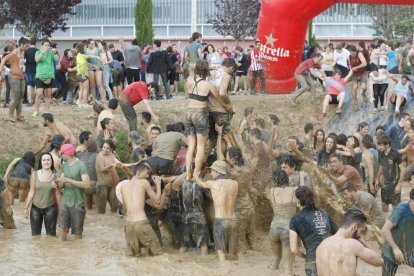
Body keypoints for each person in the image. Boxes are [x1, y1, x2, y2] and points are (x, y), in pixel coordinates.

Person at [185, 60, 226, 180]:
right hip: (200, 114)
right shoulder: (208, 85)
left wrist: (208, 68)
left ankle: (188, 173)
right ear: (206, 71)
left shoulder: (189, 80)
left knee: (191, 145)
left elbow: (191, 66)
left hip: (189, 112)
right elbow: (219, 98)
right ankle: (196, 174)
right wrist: (226, 107)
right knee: (201, 146)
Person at [216, 125, 255, 250]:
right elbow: (241, 152)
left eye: (228, 156)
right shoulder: (247, 168)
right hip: (249, 206)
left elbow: (219, 155)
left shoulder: (231, 172)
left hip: (239, 208)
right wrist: (228, 141)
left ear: (232, 159)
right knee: (250, 239)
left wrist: (218, 134)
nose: (226, 157)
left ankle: (240, 260)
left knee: (238, 239)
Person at [194, 161, 239, 261]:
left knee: (221, 252)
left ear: (218, 172)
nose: (211, 174)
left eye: (212, 171)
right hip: (233, 220)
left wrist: (196, 176)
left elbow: (200, 183)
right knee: (234, 252)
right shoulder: (235, 184)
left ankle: (222, 270)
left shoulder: (212, 184)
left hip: (220, 221)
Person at [316, 208, 383, 276]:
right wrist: (360, 239)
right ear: (354, 227)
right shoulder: (351, 244)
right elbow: (379, 261)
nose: (361, 235)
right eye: (362, 231)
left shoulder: (322, 245)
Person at [289, 186, 338, 276]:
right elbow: (338, 235)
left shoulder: (295, 219)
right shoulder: (323, 212)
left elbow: (294, 250)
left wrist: (306, 256)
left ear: (298, 201)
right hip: (331, 258)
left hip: (312, 260)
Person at [120, 161, 164, 257]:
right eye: (147, 173)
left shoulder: (123, 186)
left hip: (128, 225)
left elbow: (124, 209)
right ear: (138, 173)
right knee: (158, 255)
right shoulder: (144, 182)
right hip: (141, 223)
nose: (148, 176)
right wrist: (158, 184)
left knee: (134, 257)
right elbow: (157, 201)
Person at [56, 144, 90, 241]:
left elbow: (87, 184)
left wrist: (70, 180)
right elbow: (62, 184)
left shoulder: (81, 165)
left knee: (77, 235)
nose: (61, 156)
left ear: (67, 153)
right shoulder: (64, 165)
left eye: (61, 153)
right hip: (65, 201)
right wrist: (58, 184)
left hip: (78, 203)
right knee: (62, 232)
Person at [267, 169, 297, 273]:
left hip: (274, 228)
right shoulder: (294, 190)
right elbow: (304, 192)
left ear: (275, 180)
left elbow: (273, 206)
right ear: (286, 179)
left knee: (276, 259)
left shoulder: (272, 191)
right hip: (288, 229)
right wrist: (301, 178)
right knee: (287, 269)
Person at [24, 152, 59, 236]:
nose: (46, 162)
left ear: (51, 162)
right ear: (40, 162)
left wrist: (60, 210)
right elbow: (32, 191)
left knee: (51, 237)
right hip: (35, 208)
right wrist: (26, 208)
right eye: (44, 160)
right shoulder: (34, 174)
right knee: (35, 236)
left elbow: (59, 194)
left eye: (48, 160)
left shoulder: (56, 176)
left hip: (51, 208)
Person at [382, 188, 414, 276]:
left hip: (410, 251)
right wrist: (395, 248)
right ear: (411, 201)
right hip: (392, 251)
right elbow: (385, 229)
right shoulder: (401, 210)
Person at [0, 37, 29, 122]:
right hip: (13, 77)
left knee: (21, 97)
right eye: (26, 46)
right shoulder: (14, 52)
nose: (26, 48)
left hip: (21, 76)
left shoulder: (22, 52)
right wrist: (0, 72)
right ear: (21, 45)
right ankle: (10, 116)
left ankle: (18, 115)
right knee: (15, 96)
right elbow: (3, 59)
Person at [376, 135, 403, 212]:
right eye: (378, 145)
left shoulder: (395, 154)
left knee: (396, 210)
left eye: (381, 145)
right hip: (384, 186)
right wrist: (377, 179)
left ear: (387, 145)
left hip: (395, 186)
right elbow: (381, 166)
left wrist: (399, 185)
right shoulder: (380, 153)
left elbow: (403, 169)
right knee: (384, 209)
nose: (379, 147)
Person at [33, 39, 58, 116]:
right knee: (39, 94)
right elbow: (36, 60)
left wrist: (55, 52)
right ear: (42, 46)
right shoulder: (38, 52)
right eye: (45, 45)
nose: (47, 46)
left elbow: (57, 59)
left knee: (48, 95)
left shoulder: (51, 53)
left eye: (48, 45)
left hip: (50, 76)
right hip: (40, 76)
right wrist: (43, 52)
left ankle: (46, 111)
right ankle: (36, 111)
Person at [95, 140, 121, 214]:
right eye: (103, 147)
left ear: (111, 149)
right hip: (102, 185)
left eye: (107, 148)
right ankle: (101, 225)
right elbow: (102, 169)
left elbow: (118, 163)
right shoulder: (100, 156)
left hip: (112, 185)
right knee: (101, 210)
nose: (105, 150)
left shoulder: (111, 155)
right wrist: (111, 165)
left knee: (114, 208)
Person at [77, 141, 98, 210]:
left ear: (86, 148)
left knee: (87, 209)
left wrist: (80, 150)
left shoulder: (80, 155)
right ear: (96, 148)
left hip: (84, 186)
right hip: (95, 185)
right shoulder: (98, 155)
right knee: (96, 209)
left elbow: (74, 153)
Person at [348, 45, 368, 111]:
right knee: (354, 88)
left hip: (362, 73)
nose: (351, 54)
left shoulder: (359, 54)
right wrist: (350, 74)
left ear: (354, 50)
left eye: (351, 52)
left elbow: (364, 64)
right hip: (354, 75)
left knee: (364, 87)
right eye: (349, 52)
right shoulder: (349, 56)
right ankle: (355, 103)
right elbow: (350, 67)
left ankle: (363, 93)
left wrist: (356, 67)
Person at [24, 37, 38, 107]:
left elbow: (23, 60)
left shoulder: (26, 50)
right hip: (36, 69)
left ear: (30, 42)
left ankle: (29, 101)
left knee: (29, 85)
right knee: (34, 85)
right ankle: (34, 100)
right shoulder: (37, 50)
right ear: (36, 43)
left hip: (28, 69)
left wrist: (25, 64)